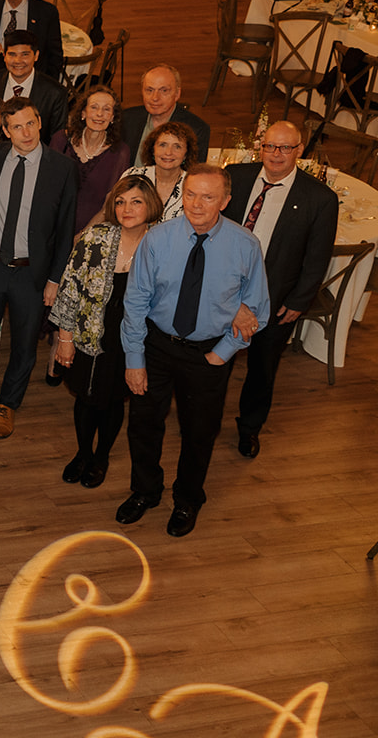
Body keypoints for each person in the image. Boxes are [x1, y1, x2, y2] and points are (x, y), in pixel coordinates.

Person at [118, 166, 270, 537]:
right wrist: (134, 360)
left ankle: (187, 500)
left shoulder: (245, 245)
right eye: (190, 194)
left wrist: (221, 354)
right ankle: (145, 491)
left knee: (199, 432)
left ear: (226, 201)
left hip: (207, 353)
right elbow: (135, 301)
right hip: (156, 346)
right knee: (143, 424)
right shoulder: (158, 240)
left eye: (208, 197)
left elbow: (258, 311)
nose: (196, 205)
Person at [0, 99, 77, 439]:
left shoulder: (62, 168)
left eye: (31, 124)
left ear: (40, 122)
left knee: (24, 344)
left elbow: (65, 229)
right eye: (17, 127)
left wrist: (54, 279)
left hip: (31, 273)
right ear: (6, 130)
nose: (26, 133)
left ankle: (8, 403)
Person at [224, 121, 338, 459]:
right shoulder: (236, 176)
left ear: (299, 151)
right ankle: (204, 418)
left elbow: (316, 259)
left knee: (262, 369)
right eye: (271, 146)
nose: (277, 154)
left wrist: (299, 301)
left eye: (285, 148)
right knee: (215, 361)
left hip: (274, 301)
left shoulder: (319, 198)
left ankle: (249, 429)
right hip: (224, 292)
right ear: (261, 146)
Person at [51, 175, 163, 490]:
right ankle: (83, 452)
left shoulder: (160, 242)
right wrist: (65, 338)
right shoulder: (95, 238)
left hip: (133, 338)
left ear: (150, 205)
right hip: (90, 331)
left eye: (136, 201)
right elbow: (70, 289)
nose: (127, 209)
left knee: (113, 399)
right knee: (86, 397)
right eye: (120, 201)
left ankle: (101, 456)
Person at [51, 84, 132, 234]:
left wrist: (83, 236)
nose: (99, 114)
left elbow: (109, 203)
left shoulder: (121, 152)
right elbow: (48, 189)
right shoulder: (60, 140)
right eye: (94, 107)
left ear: (113, 117)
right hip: (53, 227)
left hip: (93, 232)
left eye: (106, 109)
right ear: (83, 113)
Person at [0, 30, 70, 141]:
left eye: (25, 55)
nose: (18, 61)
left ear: (36, 56)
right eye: (12, 54)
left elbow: (57, 139)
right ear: (4, 56)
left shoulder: (55, 92)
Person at [123, 64, 211, 161]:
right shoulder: (126, 119)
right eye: (149, 90)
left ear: (177, 94)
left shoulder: (197, 130)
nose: (155, 98)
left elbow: (194, 173)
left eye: (164, 91)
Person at [127, 120, 198, 222]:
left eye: (177, 147)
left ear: (186, 154)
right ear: (153, 149)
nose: (168, 152)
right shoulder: (133, 176)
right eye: (162, 145)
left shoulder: (195, 185)